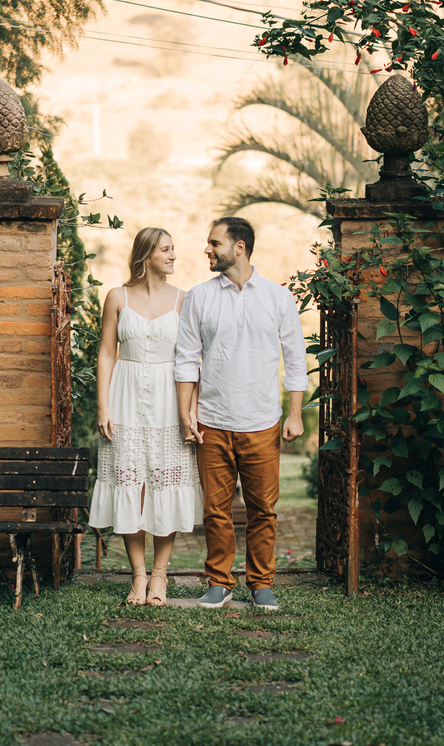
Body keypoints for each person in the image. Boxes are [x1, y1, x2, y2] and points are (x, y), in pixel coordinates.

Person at [174, 217, 307, 610]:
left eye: (214, 243)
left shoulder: (278, 299)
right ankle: (219, 581)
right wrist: (186, 415)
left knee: (263, 509)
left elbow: (295, 361)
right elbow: (185, 361)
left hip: (262, 421)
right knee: (215, 510)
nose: (207, 250)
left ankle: (261, 583)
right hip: (212, 420)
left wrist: (295, 414)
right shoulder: (198, 297)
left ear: (239, 247)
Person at [88, 227, 203, 606]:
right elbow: (106, 353)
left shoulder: (185, 300)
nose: (173, 256)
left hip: (170, 399)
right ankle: (138, 575)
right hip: (124, 396)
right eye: (166, 250)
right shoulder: (117, 297)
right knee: (130, 482)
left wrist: (191, 409)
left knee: (164, 483)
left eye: (174, 250)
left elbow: (192, 361)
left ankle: (160, 576)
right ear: (147, 254)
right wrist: (103, 405)